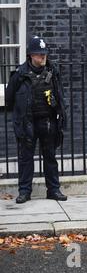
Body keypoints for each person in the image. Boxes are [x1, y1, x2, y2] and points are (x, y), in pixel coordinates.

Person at [5, 36, 68, 204]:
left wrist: (59, 110)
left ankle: (53, 190)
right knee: (26, 158)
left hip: (47, 121)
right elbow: (9, 98)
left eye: (44, 54)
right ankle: (24, 192)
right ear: (31, 55)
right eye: (39, 54)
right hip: (28, 122)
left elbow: (61, 96)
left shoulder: (53, 72)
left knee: (50, 156)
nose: (43, 57)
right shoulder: (20, 74)